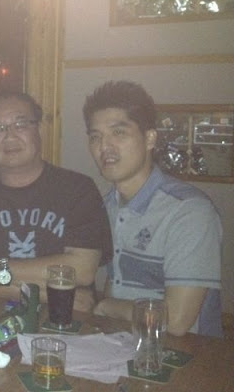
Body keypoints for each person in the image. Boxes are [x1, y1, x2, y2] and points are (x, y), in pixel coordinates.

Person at [83, 80, 223, 337]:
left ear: (149, 138)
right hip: (123, 342)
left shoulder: (189, 211)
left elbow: (177, 321)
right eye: (96, 137)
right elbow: (116, 283)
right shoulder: (106, 206)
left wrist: (106, 306)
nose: (104, 147)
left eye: (118, 133)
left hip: (184, 353)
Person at [0, 88, 112, 311]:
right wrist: (57, 294)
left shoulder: (78, 189)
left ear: (39, 129)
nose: (9, 136)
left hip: (64, 322)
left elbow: (83, 269)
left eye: (20, 125)